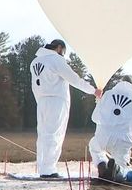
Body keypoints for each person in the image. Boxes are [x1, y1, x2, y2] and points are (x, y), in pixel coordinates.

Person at [30, 39, 102, 178]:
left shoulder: (35, 62)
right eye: (63, 51)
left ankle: (43, 166)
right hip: (57, 100)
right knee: (54, 134)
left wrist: (40, 100)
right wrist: (93, 90)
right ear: (59, 48)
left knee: (43, 134)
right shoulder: (56, 60)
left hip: (42, 101)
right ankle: (48, 169)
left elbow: (35, 86)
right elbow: (74, 79)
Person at [89, 75, 132, 181]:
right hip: (124, 140)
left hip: (104, 136)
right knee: (123, 167)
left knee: (94, 147)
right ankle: (117, 169)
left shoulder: (107, 95)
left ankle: (102, 166)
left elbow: (94, 117)